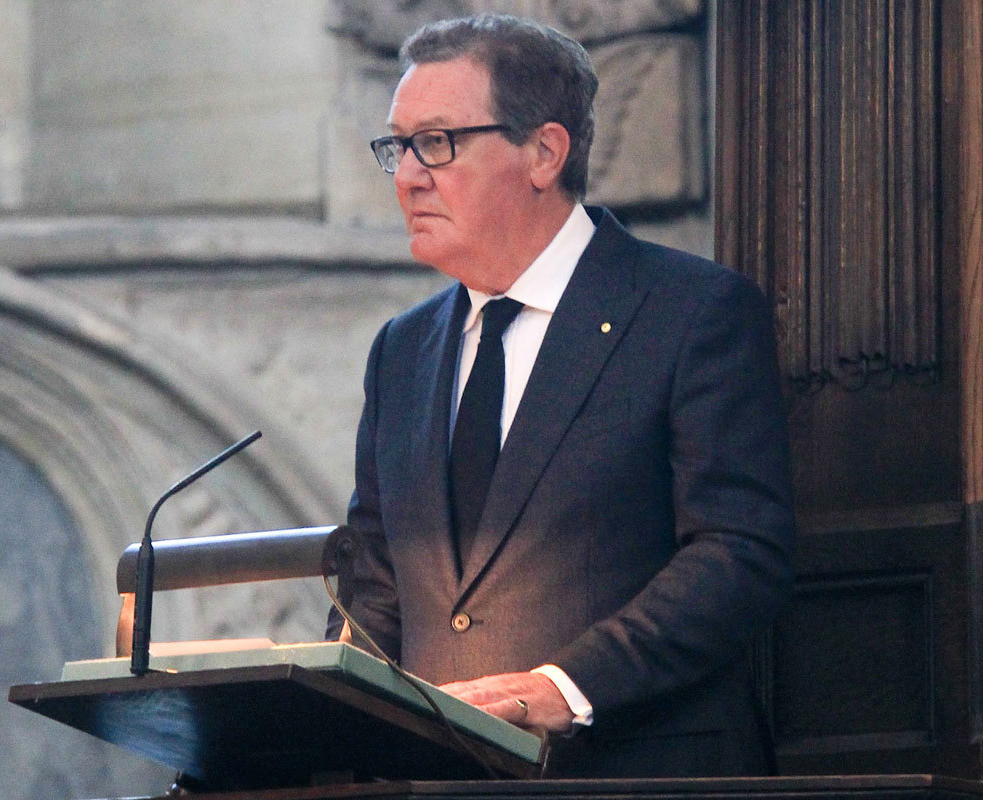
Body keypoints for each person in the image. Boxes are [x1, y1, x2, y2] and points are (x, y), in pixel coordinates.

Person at [337, 13, 795, 778]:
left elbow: (739, 552)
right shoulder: (401, 351)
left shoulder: (692, 312)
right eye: (399, 146)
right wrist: (324, 719)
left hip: (635, 773)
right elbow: (376, 585)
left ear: (544, 152)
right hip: (440, 786)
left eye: (437, 143)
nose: (408, 175)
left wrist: (561, 688)